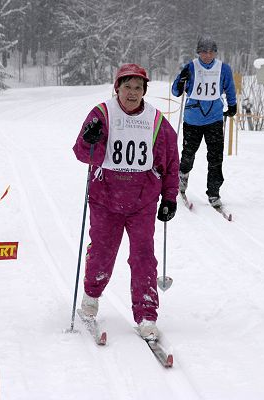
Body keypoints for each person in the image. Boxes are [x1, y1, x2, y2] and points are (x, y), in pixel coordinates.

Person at [73, 63, 179, 340]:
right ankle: (90, 298)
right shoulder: (102, 114)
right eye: (127, 86)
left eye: (138, 88)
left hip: (142, 199)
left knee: (144, 257)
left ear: (144, 90)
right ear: (117, 87)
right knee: (102, 252)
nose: (132, 93)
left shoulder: (157, 121)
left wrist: (170, 197)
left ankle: (146, 314)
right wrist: (89, 140)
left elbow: (170, 162)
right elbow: (82, 153)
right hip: (106, 196)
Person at [172, 36, 237, 208]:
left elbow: (230, 87)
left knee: (215, 157)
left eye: (211, 52)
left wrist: (232, 105)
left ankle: (214, 193)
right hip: (193, 119)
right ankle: (182, 178)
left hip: (214, 118)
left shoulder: (224, 68)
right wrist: (181, 80)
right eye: (203, 52)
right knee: (188, 154)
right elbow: (176, 91)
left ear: (215, 52)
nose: (207, 55)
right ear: (198, 52)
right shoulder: (191, 67)